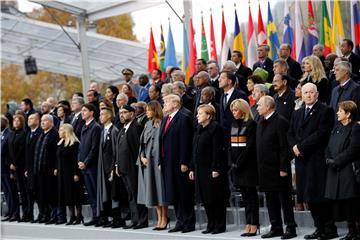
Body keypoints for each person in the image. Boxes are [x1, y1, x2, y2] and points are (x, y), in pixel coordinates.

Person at [287, 83, 337, 240]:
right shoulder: (297, 112)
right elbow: (290, 133)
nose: (308, 95)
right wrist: (294, 147)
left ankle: (329, 229)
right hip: (302, 160)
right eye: (305, 92)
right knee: (308, 196)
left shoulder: (325, 110)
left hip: (316, 159)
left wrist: (300, 147)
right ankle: (319, 228)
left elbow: (321, 134)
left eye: (311, 92)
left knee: (320, 195)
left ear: (316, 94)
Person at [256, 96, 297, 239]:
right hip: (265, 169)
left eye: (260, 105)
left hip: (279, 169)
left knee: (284, 200)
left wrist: (284, 168)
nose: (257, 107)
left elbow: (284, 148)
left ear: (268, 106)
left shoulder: (280, 122)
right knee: (271, 199)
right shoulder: (260, 122)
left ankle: (290, 227)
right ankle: (276, 227)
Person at [189, 104, 228, 234]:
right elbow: (194, 150)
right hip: (200, 169)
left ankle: (219, 225)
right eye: (198, 113)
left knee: (216, 198)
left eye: (200, 114)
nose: (197, 116)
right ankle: (210, 224)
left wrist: (216, 168)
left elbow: (218, 150)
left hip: (212, 169)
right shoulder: (199, 128)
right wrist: (192, 168)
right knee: (205, 198)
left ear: (209, 115)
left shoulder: (216, 129)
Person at [159, 94, 195, 233]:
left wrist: (184, 161)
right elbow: (162, 141)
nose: (164, 105)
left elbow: (186, 141)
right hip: (167, 161)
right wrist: (160, 161)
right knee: (174, 192)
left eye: (166, 102)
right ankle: (180, 221)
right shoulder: (166, 118)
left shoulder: (184, 117)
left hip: (179, 162)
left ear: (175, 103)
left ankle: (188, 222)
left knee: (184, 192)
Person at [324, 101, 359, 240]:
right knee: (340, 203)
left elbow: (353, 150)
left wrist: (336, 161)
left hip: (347, 170)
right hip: (334, 170)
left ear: (348, 114)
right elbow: (328, 146)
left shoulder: (355, 128)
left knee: (350, 203)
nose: (337, 113)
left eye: (340, 111)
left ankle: (354, 231)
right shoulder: (337, 127)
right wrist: (328, 159)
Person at [228, 99, 259, 236]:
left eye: (236, 110)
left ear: (243, 110)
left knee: (251, 197)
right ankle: (248, 222)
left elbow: (250, 147)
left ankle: (254, 223)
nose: (234, 113)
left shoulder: (251, 124)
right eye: (232, 110)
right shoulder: (233, 124)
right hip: (236, 167)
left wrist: (239, 163)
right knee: (245, 197)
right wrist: (232, 163)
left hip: (248, 166)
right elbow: (231, 146)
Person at [137, 101, 168, 230]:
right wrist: (142, 157)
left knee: (161, 190)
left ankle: (164, 218)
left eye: (149, 110)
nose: (147, 112)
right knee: (153, 190)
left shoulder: (163, 123)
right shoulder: (147, 124)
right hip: (148, 163)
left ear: (155, 110)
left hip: (159, 163)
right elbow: (142, 145)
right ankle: (159, 218)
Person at [115, 105, 147, 229]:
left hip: (133, 168)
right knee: (130, 195)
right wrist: (117, 165)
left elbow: (137, 149)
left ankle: (142, 220)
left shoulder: (136, 127)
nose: (121, 115)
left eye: (124, 112)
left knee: (137, 193)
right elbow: (119, 150)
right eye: (120, 112)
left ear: (132, 114)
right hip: (123, 168)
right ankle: (135, 219)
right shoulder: (123, 129)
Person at [33, 114, 60, 224]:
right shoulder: (41, 134)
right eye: (42, 121)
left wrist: (55, 168)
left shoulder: (54, 134)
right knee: (41, 194)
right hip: (40, 170)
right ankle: (44, 214)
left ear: (51, 122)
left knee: (51, 194)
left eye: (45, 120)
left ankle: (52, 215)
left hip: (50, 170)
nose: (42, 122)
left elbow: (56, 154)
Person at [95, 108, 119, 227]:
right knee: (106, 193)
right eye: (100, 114)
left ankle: (117, 219)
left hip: (111, 168)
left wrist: (113, 168)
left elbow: (115, 151)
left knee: (114, 193)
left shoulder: (114, 130)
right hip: (103, 167)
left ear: (109, 116)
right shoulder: (102, 131)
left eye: (103, 114)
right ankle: (107, 217)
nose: (101, 116)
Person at [55, 124, 83, 225]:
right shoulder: (61, 143)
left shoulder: (74, 143)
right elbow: (58, 158)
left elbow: (76, 159)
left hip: (71, 173)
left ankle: (79, 215)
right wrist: (56, 168)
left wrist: (76, 173)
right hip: (62, 173)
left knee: (75, 194)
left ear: (66, 131)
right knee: (67, 195)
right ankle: (72, 216)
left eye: (61, 130)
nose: (59, 132)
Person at [78, 104, 101, 226]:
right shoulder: (83, 127)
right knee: (90, 193)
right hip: (84, 166)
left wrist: (85, 162)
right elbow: (81, 147)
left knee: (95, 192)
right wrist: (79, 161)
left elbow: (94, 148)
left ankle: (99, 216)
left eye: (85, 110)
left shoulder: (95, 127)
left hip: (92, 166)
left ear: (92, 112)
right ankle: (94, 215)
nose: (82, 112)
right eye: (81, 111)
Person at [7, 114, 28, 222]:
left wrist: (15, 163)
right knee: (13, 192)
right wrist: (11, 164)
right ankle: (15, 214)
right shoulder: (11, 134)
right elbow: (9, 151)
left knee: (23, 191)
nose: (15, 122)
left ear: (22, 122)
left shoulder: (24, 134)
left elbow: (21, 150)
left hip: (20, 166)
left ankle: (25, 213)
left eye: (18, 120)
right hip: (12, 167)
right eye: (14, 120)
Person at [24, 113, 42, 223]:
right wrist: (26, 168)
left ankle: (42, 214)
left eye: (32, 118)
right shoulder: (28, 134)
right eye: (29, 118)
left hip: (37, 168)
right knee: (30, 192)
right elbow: (26, 153)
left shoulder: (40, 133)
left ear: (38, 121)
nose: (29, 120)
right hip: (29, 169)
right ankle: (29, 214)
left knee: (39, 193)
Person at [1, 116, 17, 222]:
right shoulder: (2, 134)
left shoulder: (9, 133)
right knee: (6, 191)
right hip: (1, 168)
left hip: (7, 168)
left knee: (11, 191)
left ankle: (14, 212)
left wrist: (12, 170)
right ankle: (10, 212)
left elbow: (10, 152)